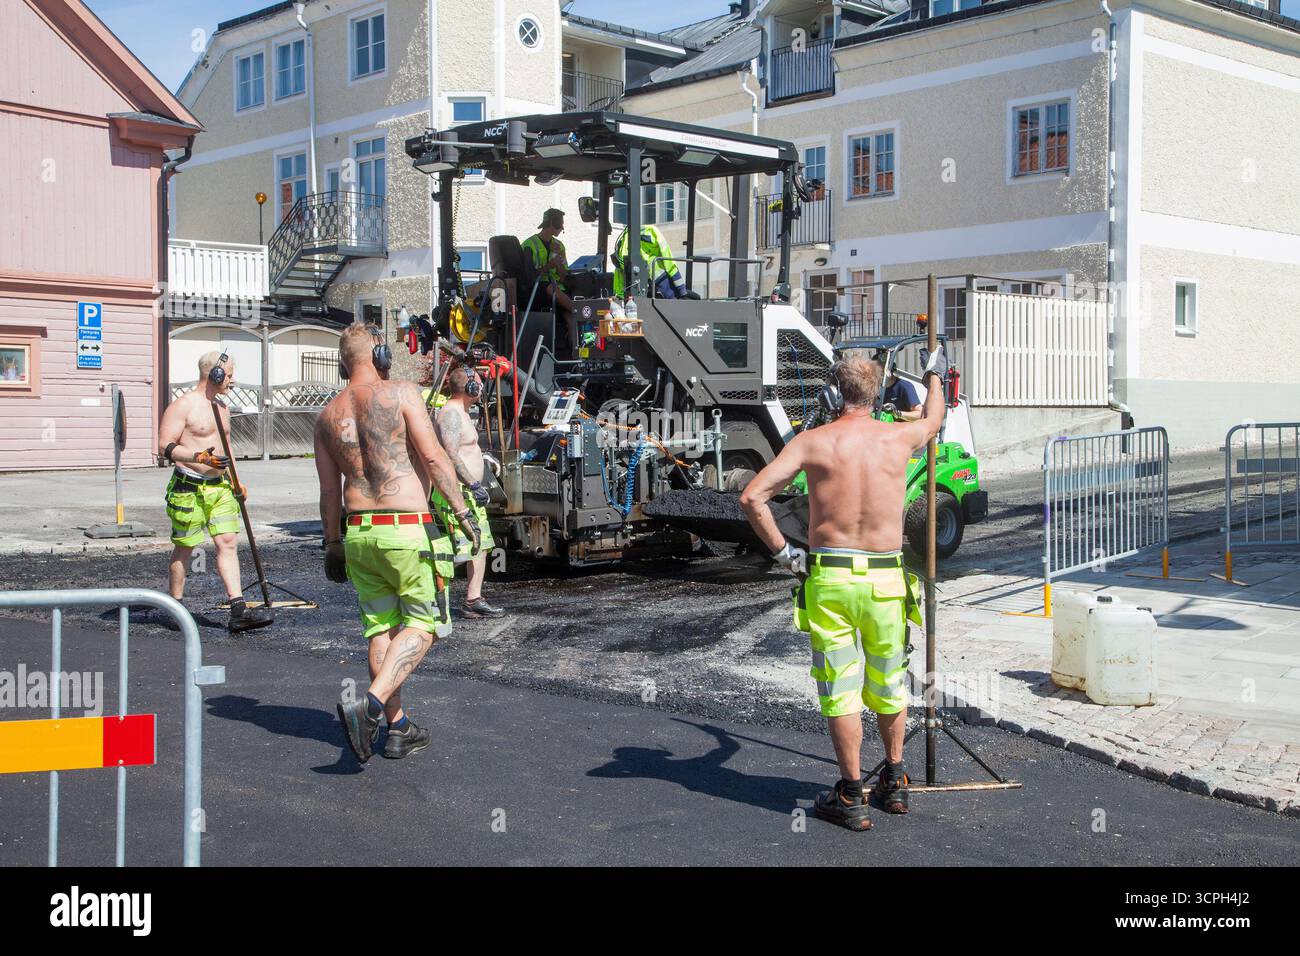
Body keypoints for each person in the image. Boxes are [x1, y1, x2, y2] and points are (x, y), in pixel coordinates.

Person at [739, 348, 947, 831]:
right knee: (890, 683)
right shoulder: (899, 437)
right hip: (886, 580)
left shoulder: (813, 442)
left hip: (829, 578)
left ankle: (852, 795)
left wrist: (785, 556)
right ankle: (894, 782)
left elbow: (752, 497)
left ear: (833, 394)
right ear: (878, 396)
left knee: (840, 690)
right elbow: (934, 420)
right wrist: (935, 373)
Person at [315, 323, 481, 763]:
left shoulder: (326, 414)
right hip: (406, 528)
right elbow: (433, 456)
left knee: (381, 628)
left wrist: (333, 544)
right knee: (423, 627)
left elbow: (330, 492)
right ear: (381, 355)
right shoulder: (403, 392)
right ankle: (368, 708)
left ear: (341, 361)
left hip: (359, 534)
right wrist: (462, 513)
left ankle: (398, 727)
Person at [157, 351, 273, 634]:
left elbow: (227, 446)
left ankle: (238, 609)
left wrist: (236, 479)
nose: (232, 380)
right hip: (189, 487)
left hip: (219, 488)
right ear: (215, 374)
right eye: (229, 375)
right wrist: (199, 457)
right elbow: (164, 446)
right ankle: (176, 606)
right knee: (185, 547)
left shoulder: (221, 408)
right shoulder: (183, 406)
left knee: (228, 543)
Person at [433, 365, 505, 618]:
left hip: (471, 493)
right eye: (479, 383)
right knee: (454, 549)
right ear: (470, 387)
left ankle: (473, 599)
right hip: (459, 493)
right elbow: (450, 455)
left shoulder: (462, 413)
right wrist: (472, 484)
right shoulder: (451, 414)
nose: (483, 388)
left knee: (480, 543)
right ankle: (435, 602)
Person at [522, 208, 576, 350]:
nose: (563, 227)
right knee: (552, 289)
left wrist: (559, 265)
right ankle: (578, 309)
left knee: (570, 318)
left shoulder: (559, 246)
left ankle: (573, 351)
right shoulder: (529, 245)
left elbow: (564, 278)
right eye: (560, 223)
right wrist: (549, 265)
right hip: (536, 289)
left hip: (558, 291)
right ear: (552, 222)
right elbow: (529, 277)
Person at [611, 223, 689, 299]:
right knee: (674, 305)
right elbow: (668, 258)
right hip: (660, 280)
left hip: (637, 287)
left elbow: (619, 269)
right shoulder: (652, 231)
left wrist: (619, 295)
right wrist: (682, 289)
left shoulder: (623, 240)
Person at [875, 358, 922, 422]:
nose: (876, 376)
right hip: (886, 428)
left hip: (904, 429)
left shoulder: (905, 386)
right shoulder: (878, 388)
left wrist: (896, 413)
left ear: (889, 371)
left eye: (880, 372)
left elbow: (919, 415)